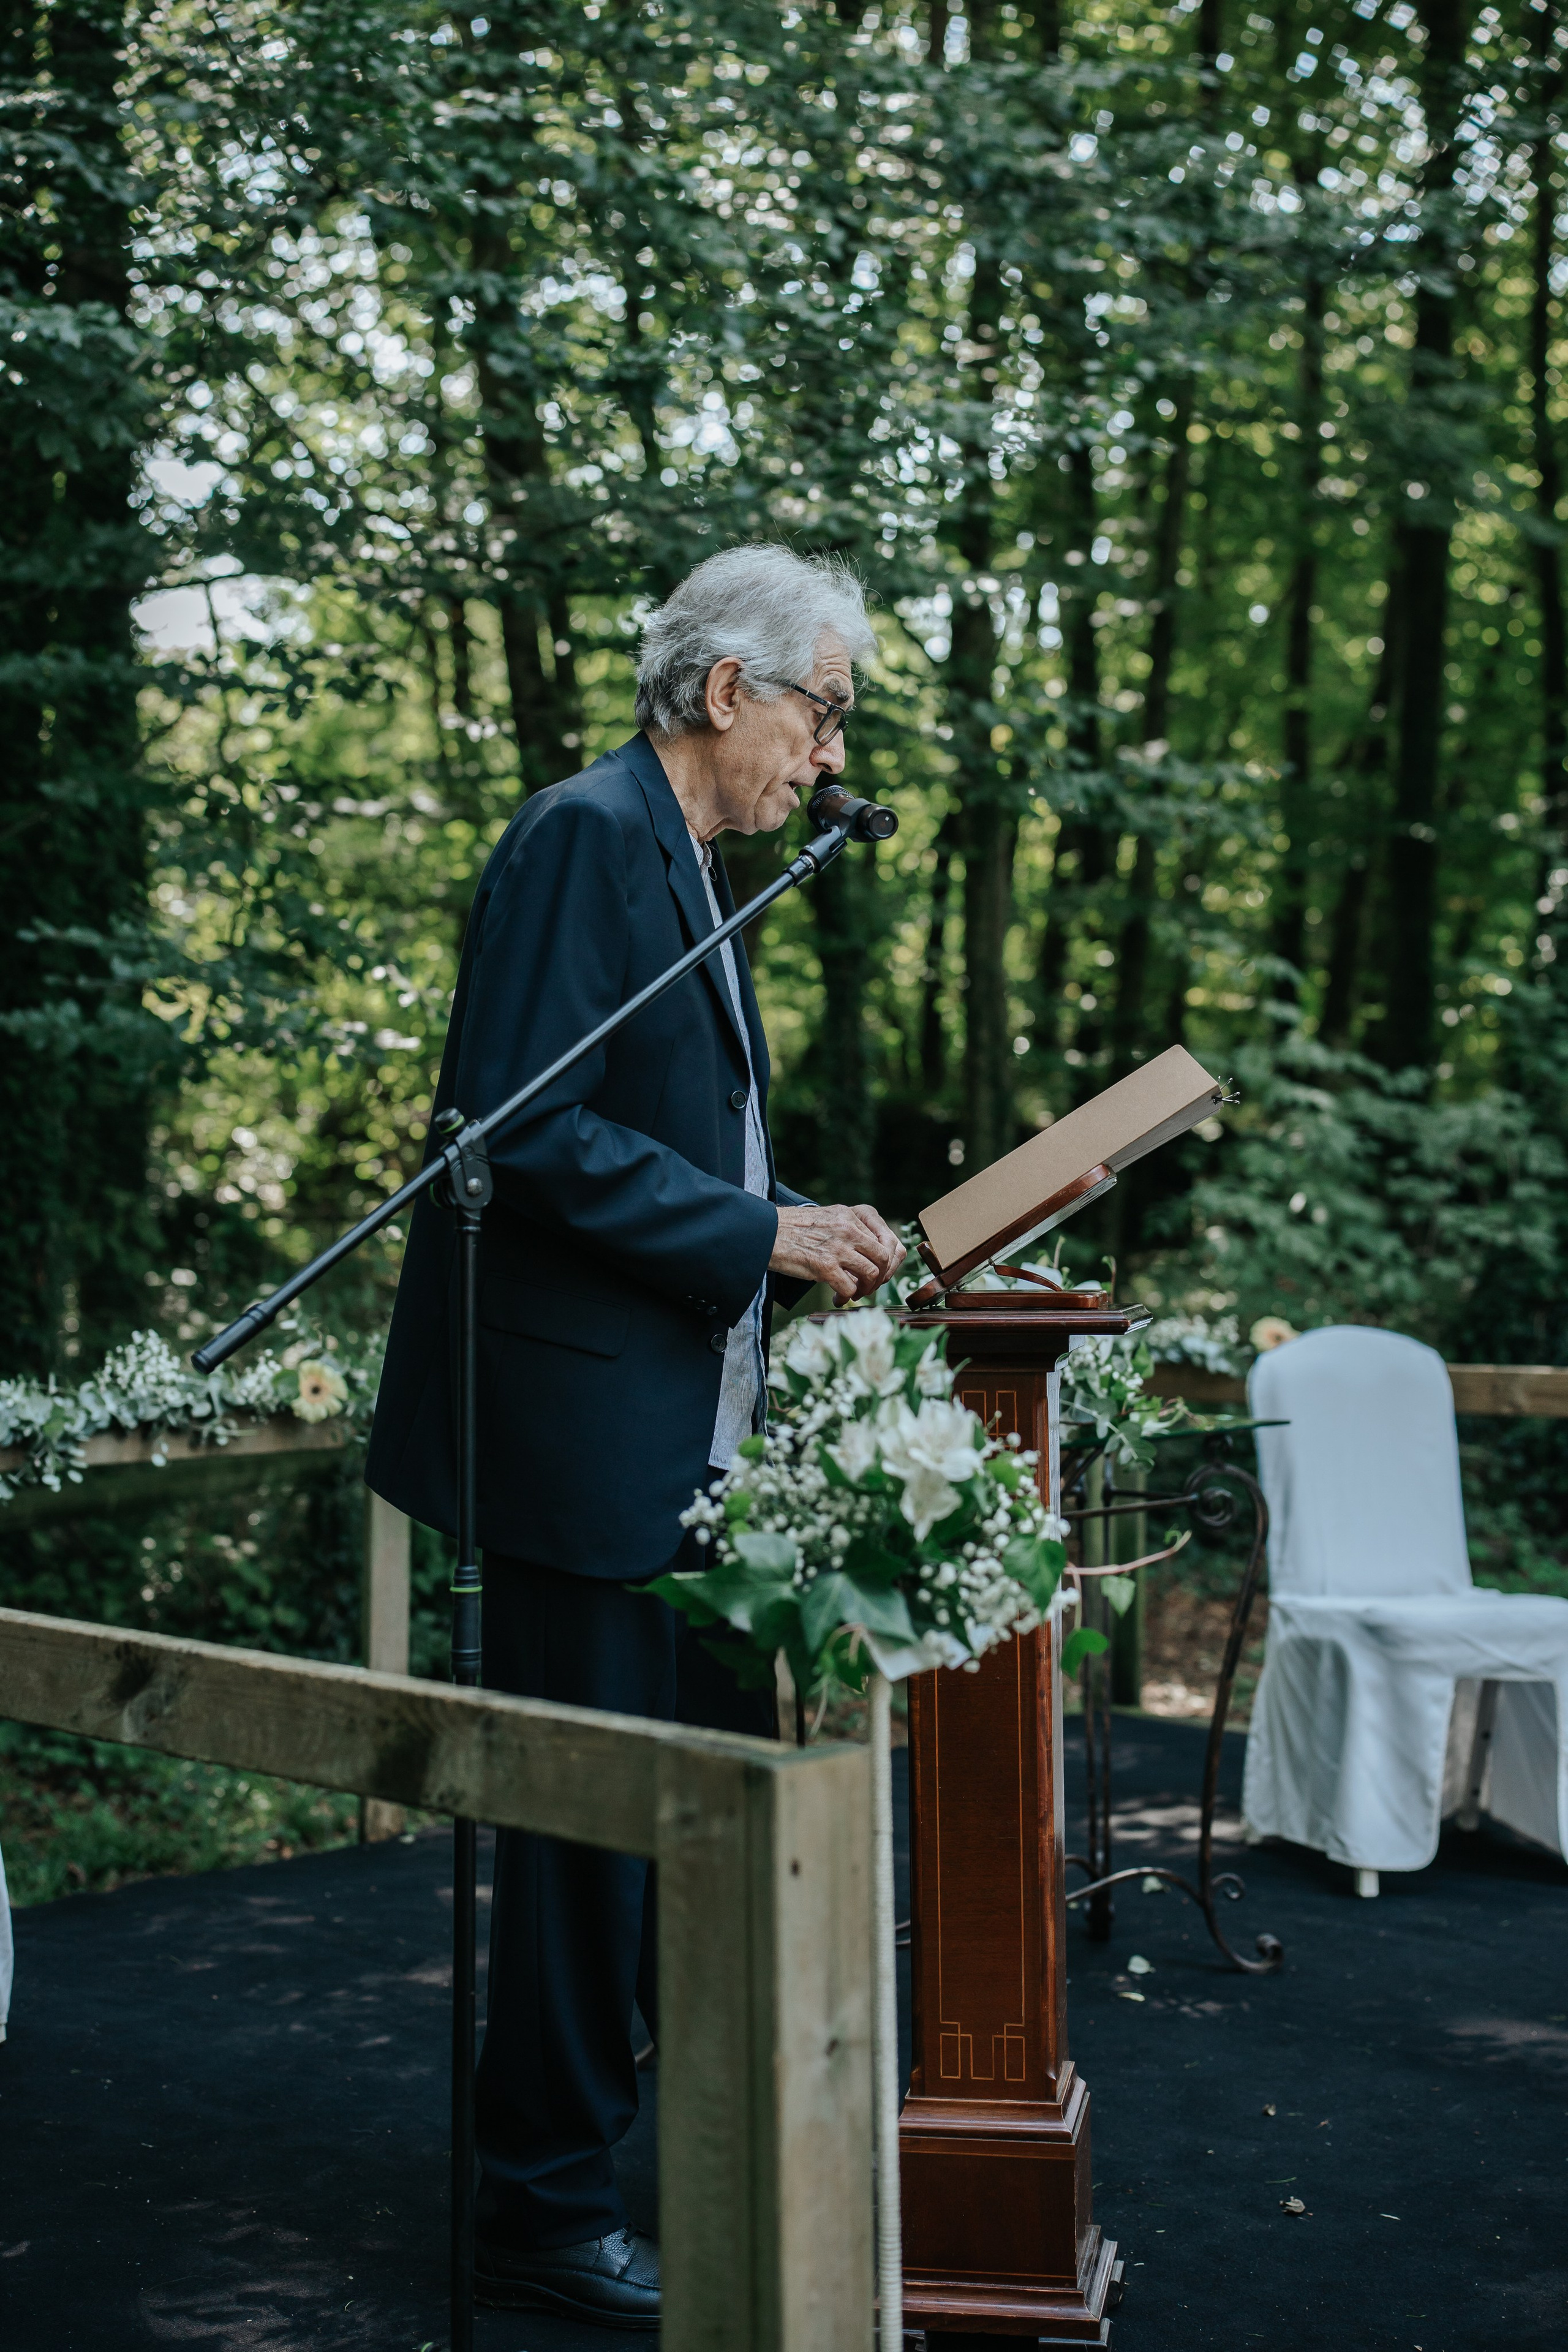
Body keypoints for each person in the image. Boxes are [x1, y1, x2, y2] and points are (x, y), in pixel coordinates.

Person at [366, 543, 903, 2327]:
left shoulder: (682, 860)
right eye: (826, 716)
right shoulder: (590, 836)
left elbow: (666, 1144)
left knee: (680, 1831)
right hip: (584, 1454)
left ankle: (622, 2156)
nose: (833, 761)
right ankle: (538, 2203)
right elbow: (520, 1133)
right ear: (730, 687)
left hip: (680, 1448)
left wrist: (791, 1217)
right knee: (587, 1852)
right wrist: (756, 1239)